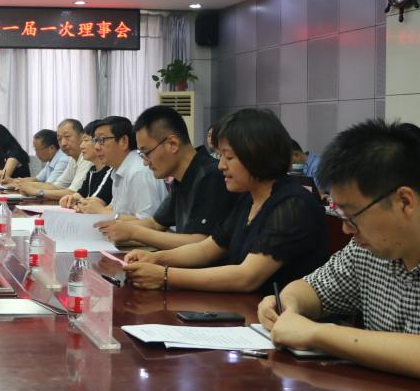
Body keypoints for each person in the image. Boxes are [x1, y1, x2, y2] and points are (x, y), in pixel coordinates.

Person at [256, 120, 420, 391]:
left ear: (404, 201)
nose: (346, 229)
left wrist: (317, 334)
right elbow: (310, 289)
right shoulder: (368, 250)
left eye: (351, 215)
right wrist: (286, 305)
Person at [123, 108, 327, 294]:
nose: (221, 165)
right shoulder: (249, 199)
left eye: (228, 157)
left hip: (277, 317)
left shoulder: (292, 204)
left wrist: (165, 275)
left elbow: (247, 277)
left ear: (257, 156)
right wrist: (155, 258)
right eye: (220, 156)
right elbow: (206, 249)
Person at [96, 105, 237, 250]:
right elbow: (155, 223)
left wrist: (133, 233)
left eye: (147, 153)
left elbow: (199, 243)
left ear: (172, 144)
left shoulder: (211, 176)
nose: (145, 162)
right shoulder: (181, 177)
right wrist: (110, 229)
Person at [76, 116, 166, 218]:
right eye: (95, 140)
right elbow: (115, 209)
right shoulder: (118, 170)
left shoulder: (138, 172)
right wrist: (88, 208)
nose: (96, 147)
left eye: (101, 140)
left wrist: (101, 211)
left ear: (124, 141)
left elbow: (148, 221)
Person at [60, 120, 113, 209]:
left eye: (86, 140)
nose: (81, 146)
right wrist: (71, 198)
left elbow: (95, 202)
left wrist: (79, 202)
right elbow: (81, 193)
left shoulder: (110, 170)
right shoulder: (92, 169)